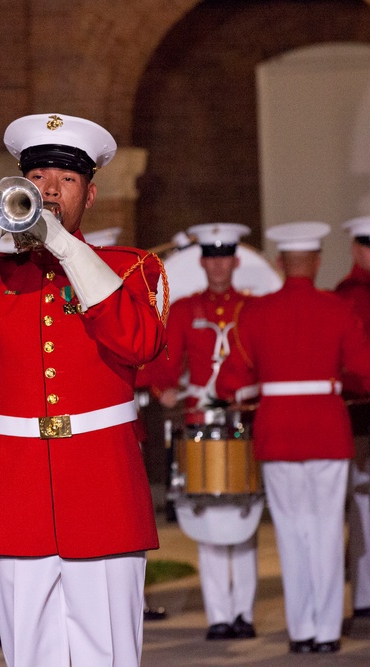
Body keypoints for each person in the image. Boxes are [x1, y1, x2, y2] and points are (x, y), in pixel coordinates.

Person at [0, 113, 167, 666]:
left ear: (90, 195)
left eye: (67, 179)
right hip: (19, 488)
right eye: (38, 176)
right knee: (28, 652)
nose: (49, 189)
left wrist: (66, 249)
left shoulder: (132, 268)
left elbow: (139, 342)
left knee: (108, 652)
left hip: (101, 485)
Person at [216, 221, 370, 654]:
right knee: (326, 530)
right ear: (318, 263)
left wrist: (237, 393)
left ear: (281, 264)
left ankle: (301, 631)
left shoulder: (256, 312)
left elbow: (231, 380)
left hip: (278, 431)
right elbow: (363, 367)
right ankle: (326, 633)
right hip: (327, 429)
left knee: (290, 531)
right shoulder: (339, 309)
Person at [145, 223, 259, 640]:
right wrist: (165, 387)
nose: (217, 265)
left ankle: (243, 613)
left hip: (243, 420)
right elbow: (164, 362)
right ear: (202, 262)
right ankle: (218, 616)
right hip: (198, 421)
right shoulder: (186, 308)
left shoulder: (252, 307)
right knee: (209, 519)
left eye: (224, 257)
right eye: (210, 258)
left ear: (236, 261)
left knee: (244, 514)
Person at [336, 215, 370, 620]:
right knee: (362, 510)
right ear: (355, 249)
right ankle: (364, 595)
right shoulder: (345, 296)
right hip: (362, 416)